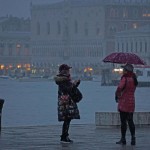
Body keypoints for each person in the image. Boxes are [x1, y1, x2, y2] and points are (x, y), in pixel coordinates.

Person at [54, 64, 81, 143]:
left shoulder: (65, 79)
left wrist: (76, 84)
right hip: (65, 103)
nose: (69, 71)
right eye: (67, 70)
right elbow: (66, 89)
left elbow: (70, 88)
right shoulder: (63, 80)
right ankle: (64, 136)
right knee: (67, 119)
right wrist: (73, 84)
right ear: (64, 71)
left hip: (67, 102)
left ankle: (65, 135)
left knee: (68, 119)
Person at [115, 64, 138, 145]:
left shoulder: (125, 78)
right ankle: (133, 138)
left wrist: (117, 95)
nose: (122, 71)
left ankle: (123, 139)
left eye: (124, 69)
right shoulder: (134, 78)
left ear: (126, 71)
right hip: (131, 102)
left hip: (124, 102)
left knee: (123, 122)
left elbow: (119, 88)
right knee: (130, 121)